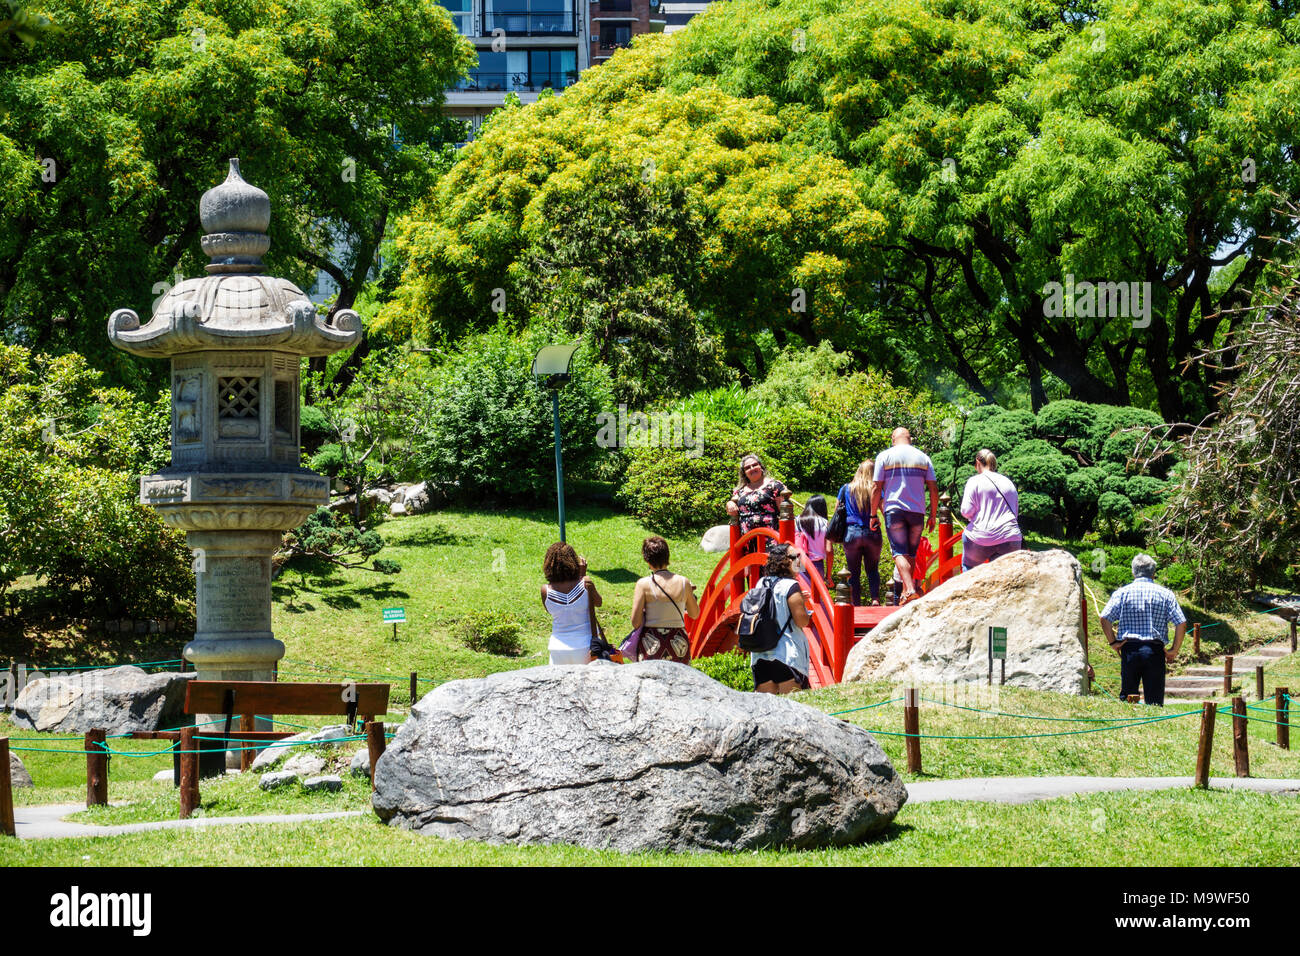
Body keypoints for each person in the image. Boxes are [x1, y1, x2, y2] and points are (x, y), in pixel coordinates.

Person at [1099, 554, 1187, 706]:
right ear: (1153, 573)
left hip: (1130, 649)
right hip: (1154, 650)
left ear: (1133, 572)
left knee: (1128, 698)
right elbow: (1181, 622)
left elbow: (1104, 618)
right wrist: (1174, 649)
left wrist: (1113, 642)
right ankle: (1152, 726)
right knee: (1154, 702)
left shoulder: (1122, 593)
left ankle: (1127, 725)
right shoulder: (1166, 594)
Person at [870, 428, 939, 604]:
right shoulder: (923, 458)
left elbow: (876, 488)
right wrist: (932, 514)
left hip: (894, 509)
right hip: (917, 511)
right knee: (911, 553)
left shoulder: (884, 456)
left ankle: (909, 590)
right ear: (910, 438)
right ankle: (907, 593)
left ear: (893, 439)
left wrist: (873, 515)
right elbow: (933, 488)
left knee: (899, 552)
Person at [747, 543, 812, 695]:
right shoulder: (791, 586)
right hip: (787, 653)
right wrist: (803, 606)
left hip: (761, 654)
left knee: (765, 711)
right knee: (792, 708)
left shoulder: (760, 583)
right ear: (784, 561)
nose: (798, 560)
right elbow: (802, 621)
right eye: (794, 557)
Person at [629, 535, 700, 663]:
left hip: (651, 642)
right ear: (667, 556)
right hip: (678, 642)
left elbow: (635, 622)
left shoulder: (643, 584)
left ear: (647, 559)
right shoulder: (684, 582)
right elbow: (694, 614)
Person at [959, 448, 1023, 571]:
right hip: (1010, 537)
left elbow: (965, 511)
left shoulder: (974, 481)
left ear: (978, 462)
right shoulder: (1008, 482)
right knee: (1006, 576)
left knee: (969, 567)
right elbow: (1015, 512)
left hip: (981, 538)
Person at [540, 542, 603, 665]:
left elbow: (553, 611)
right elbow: (598, 602)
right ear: (573, 562)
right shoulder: (586, 583)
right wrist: (582, 575)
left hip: (557, 647)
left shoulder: (545, 590)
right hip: (585, 646)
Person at [835, 461, 883, 605]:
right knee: (873, 569)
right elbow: (884, 509)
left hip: (851, 533)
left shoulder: (846, 488)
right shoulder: (877, 490)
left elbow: (837, 511)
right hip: (872, 532)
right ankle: (875, 599)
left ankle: (856, 605)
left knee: (853, 572)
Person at [725, 453, 787, 547]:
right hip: (747, 540)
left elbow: (784, 513)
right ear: (744, 473)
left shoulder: (775, 486)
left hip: (770, 539)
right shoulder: (740, 491)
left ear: (761, 467)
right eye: (747, 467)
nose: (752, 468)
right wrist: (729, 503)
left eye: (755, 465)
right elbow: (733, 504)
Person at [794, 494, 831, 583]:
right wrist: (828, 575)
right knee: (815, 595)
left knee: (800, 593)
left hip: (797, 561)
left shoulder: (796, 520)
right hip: (816, 564)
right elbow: (829, 550)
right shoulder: (825, 523)